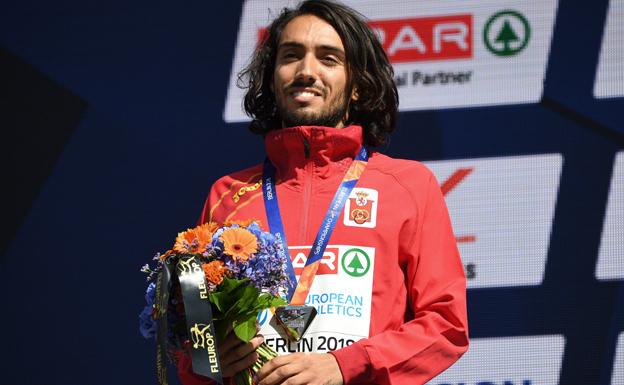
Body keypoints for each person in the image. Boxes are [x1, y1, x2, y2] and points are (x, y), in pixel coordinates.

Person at [177, 1, 469, 384]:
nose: (306, 71)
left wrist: (343, 365)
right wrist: (209, 359)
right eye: (291, 56)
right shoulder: (228, 193)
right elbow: (193, 345)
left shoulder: (409, 185)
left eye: (328, 59)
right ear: (271, 78)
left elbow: (446, 325)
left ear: (358, 88)